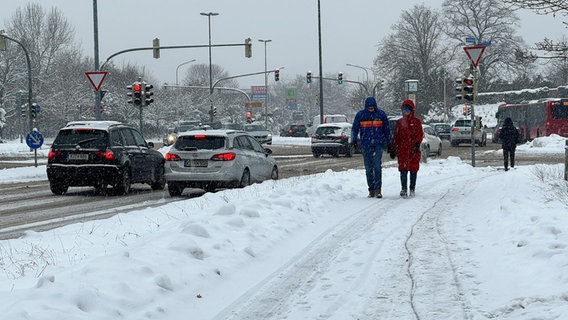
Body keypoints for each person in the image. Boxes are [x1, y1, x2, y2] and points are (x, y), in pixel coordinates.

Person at [351, 96, 391, 198]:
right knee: (368, 168)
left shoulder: (381, 115)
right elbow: (355, 128)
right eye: (369, 108)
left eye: (372, 108)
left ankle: (378, 189)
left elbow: (386, 129)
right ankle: (371, 189)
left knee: (377, 167)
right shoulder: (360, 115)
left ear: (375, 107)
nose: (371, 110)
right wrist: (353, 140)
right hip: (366, 145)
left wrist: (389, 142)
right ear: (366, 107)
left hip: (378, 144)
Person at [390, 99, 423, 197]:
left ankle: (412, 188)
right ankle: (403, 188)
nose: (406, 113)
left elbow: (419, 134)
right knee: (403, 170)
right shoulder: (399, 122)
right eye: (404, 111)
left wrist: (417, 143)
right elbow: (396, 136)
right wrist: (393, 147)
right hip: (402, 150)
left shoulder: (417, 122)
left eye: (407, 111)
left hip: (413, 150)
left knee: (413, 170)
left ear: (411, 111)